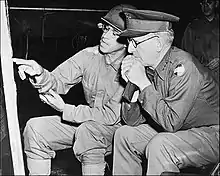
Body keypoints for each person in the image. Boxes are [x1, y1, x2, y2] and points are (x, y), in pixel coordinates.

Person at [13, 4, 137, 175]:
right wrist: (39, 74)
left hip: (118, 130)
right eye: (106, 28)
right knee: (35, 129)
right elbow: (57, 80)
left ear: (128, 42)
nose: (105, 36)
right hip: (86, 121)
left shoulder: (133, 68)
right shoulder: (89, 55)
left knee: (88, 133)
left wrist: (65, 109)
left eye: (114, 33)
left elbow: (110, 116)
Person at [112, 8, 219, 175]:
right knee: (124, 135)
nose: (130, 50)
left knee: (161, 145)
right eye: (129, 43)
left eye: (135, 42)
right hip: (183, 130)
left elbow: (170, 122)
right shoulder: (148, 68)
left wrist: (144, 84)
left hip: (213, 133)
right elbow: (131, 121)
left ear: (158, 43)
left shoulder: (184, 66)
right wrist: (132, 86)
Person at [181, 0, 219, 84]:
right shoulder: (193, 27)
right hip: (201, 76)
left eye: (209, 2)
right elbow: (185, 54)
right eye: (203, 3)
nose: (205, 6)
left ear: (216, 4)